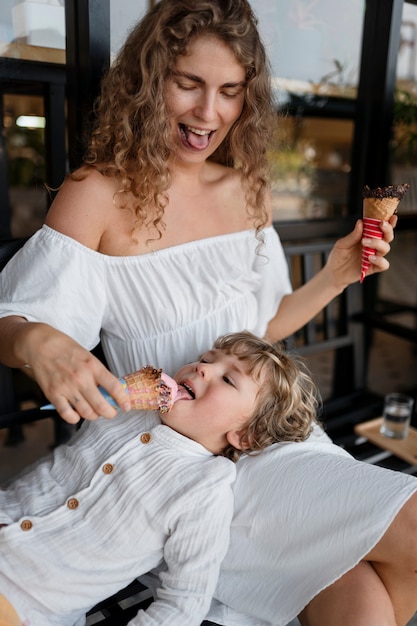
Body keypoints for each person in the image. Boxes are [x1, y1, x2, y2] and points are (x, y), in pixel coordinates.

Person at [0, 0, 417, 624]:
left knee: (364, 600)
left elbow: (261, 335)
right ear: (148, 83)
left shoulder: (245, 190)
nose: (208, 113)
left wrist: (335, 275)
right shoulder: (98, 194)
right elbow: (14, 322)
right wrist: (36, 344)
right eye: (188, 84)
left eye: (229, 91)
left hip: (270, 435)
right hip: (184, 467)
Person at [0, 331, 319, 626]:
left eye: (228, 379)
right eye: (207, 359)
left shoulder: (204, 490)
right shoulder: (127, 410)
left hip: (28, 603)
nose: (202, 368)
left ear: (245, 435)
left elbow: (185, 604)